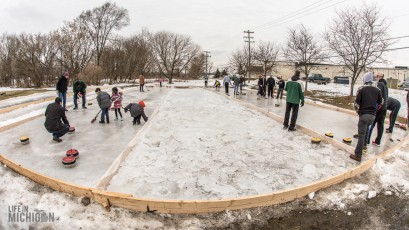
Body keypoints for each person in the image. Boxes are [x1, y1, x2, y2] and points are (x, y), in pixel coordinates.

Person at [350, 72, 383, 162]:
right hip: (372, 116)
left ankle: (358, 155)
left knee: (361, 135)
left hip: (364, 115)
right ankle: (364, 146)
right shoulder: (377, 90)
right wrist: (374, 110)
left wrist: (359, 112)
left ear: (365, 79)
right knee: (366, 131)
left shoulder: (361, 89)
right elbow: (381, 102)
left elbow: (356, 104)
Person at [367, 73, 388, 146]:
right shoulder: (385, 85)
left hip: (379, 107)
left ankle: (367, 140)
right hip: (384, 108)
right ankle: (377, 141)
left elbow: (377, 95)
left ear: (380, 77)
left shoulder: (380, 84)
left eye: (377, 77)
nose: (376, 78)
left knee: (372, 123)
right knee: (380, 125)